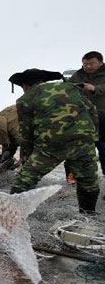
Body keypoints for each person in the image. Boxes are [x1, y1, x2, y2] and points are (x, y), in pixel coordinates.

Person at [9, 68, 100, 214]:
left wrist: (26, 154)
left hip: (50, 145)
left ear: (25, 86)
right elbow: (92, 110)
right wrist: (93, 135)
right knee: (88, 180)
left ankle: (11, 213)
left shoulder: (25, 99)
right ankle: (88, 214)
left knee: (26, 178)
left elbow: (26, 131)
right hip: (82, 140)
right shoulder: (71, 87)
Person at [69, 50, 105, 174]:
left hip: (103, 116)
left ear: (100, 63)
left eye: (91, 63)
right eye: (85, 64)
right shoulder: (77, 75)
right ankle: (73, 178)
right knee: (77, 148)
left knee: (103, 147)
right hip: (82, 116)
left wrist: (95, 88)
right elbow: (66, 90)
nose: (88, 66)